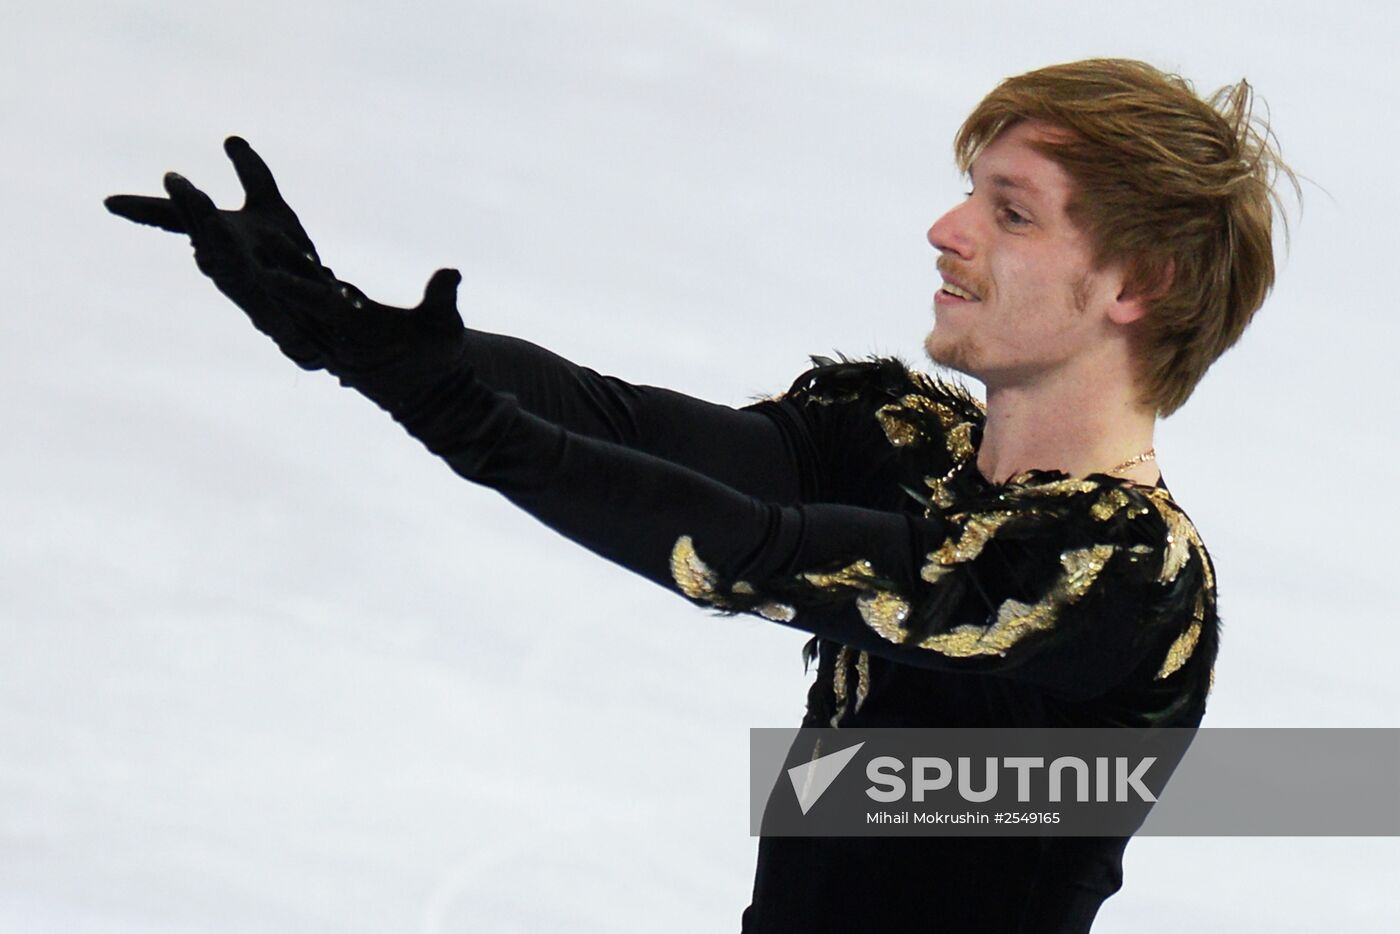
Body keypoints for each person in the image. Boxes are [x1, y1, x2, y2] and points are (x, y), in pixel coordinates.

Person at [106, 58, 1294, 933]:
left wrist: (458, 421)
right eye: (968, 194)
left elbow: (755, 552)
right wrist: (352, 331)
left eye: (1009, 211)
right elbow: (625, 426)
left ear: (1136, 282)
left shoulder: (1119, 578)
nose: (946, 231)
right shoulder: (904, 443)